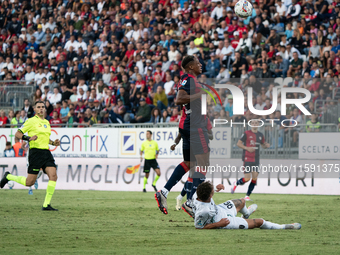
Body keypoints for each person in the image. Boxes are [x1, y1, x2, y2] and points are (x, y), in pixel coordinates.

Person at [155, 55, 209, 215]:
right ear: (191, 66)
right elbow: (179, 99)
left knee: (189, 162)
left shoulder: (189, 80)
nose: (200, 65)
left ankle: (164, 192)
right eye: (197, 63)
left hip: (189, 125)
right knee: (203, 164)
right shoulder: (189, 79)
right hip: (194, 127)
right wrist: (199, 95)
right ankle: (191, 201)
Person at [0, 101, 60, 211]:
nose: (41, 109)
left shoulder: (47, 122)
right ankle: (8, 177)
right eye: (39, 107)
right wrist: (28, 138)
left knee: (53, 176)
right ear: (35, 109)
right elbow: (18, 133)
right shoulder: (31, 121)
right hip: (35, 153)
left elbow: (45, 139)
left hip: (46, 153)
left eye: (43, 107)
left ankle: (46, 205)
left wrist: (53, 143)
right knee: (29, 182)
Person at [194, 181, 301, 230]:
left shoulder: (200, 194)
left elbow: (204, 193)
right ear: (209, 195)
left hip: (221, 209)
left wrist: (216, 189)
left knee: (242, 201)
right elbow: (199, 226)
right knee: (259, 221)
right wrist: (219, 224)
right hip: (225, 222)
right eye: (213, 190)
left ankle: (246, 214)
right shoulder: (204, 211)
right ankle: (284, 227)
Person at [231, 119, 270, 200]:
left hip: (256, 159)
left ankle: (247, 196)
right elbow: (238, 143)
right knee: (247, 179)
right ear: (251, 124)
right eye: (253, 123)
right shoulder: (246, 133)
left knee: (255, 178)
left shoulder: (260, 135)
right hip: (247, 158)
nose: (255, 124)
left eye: (256, 123)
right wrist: (247, 148)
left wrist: (266, 145)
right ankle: (236, 183)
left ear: (258, 124)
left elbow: (262, 145)